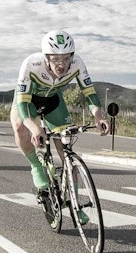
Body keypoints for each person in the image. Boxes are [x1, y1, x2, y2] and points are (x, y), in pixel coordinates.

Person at [11, 31, 111, 208]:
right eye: (56, 59)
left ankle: (75, 204)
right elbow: (22, 105)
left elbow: (89, 92)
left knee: (66, 150)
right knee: (20, 126)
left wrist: (98, 117)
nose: (62, 64)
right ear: (46, 57)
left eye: (66, 58)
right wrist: (34, 128)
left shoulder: (77, 63)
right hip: (28, 102)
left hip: (54, 102)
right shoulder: (31, 64)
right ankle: (36, 165)